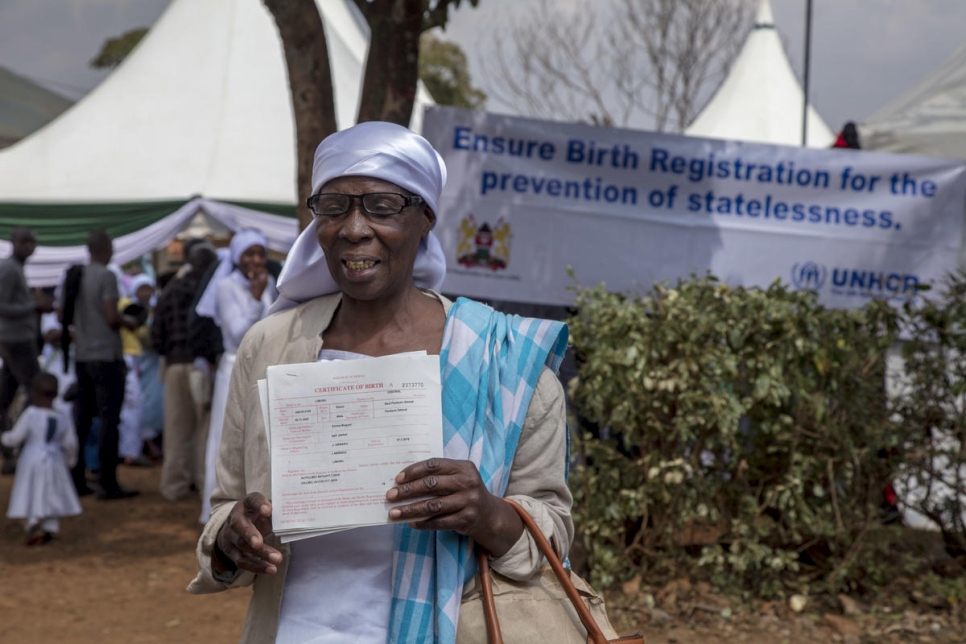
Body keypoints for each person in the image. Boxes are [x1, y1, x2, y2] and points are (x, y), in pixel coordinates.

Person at [188, 122, 571, 644]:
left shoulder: (498, 359)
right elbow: (223, 508)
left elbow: (552, 528)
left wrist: (488, 515)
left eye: (382, 205)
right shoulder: (271, 347)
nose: (354, 228)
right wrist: (235, 537)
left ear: (425, 219)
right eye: (333, 206)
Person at [196, 229, 277, 524]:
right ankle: (217, 511)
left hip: (264, 367)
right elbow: (237, 333)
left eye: (260, 253)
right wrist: (256, 299)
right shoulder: (226, 287)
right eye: (249, 254)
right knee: (226, 438)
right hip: (234, 369)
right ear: (236, 257)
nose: (255, 260)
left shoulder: (267, 284)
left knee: (260, 437)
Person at [61, 229, 140, 500]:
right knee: (109, 420)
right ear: (105, 248)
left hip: (82, 357)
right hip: (106, 357)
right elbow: (111, 316)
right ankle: (107, 482)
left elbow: (63, 314)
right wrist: (131, 322)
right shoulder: (106, 276)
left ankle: (77, 478)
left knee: (82, 421)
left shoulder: (76, 276)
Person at [153, 240, 218, 501]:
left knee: (176, 428)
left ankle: (174, 486)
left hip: (175, 365)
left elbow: (156, 331)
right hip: (201, 366)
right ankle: (204, 485)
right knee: (204, 429)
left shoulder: (171, 289)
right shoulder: (210, 289)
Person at [1, 372, 82, 545]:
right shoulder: (63, 417)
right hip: (56, 459)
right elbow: (71, 443)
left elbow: (16, 437)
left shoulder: (31, 414)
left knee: (33, 488)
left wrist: (4, 437)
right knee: (51, 491)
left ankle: (34, 521)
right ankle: (50, 526)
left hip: (32, 458)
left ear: (33, 393)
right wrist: (70, 460)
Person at [0, 227, 51, 474]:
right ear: (15, 243)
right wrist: (34, 305)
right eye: (26, 242)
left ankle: (9, 448)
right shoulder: (9, 269)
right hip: (15, 339)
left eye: (33, 242)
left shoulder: (15, 268)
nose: (31, 247)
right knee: (36, 390)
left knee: (6, 396)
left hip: (16, 338)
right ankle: (18, 443)